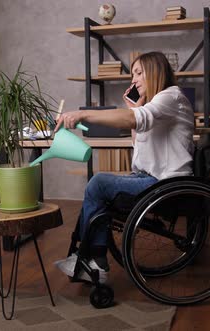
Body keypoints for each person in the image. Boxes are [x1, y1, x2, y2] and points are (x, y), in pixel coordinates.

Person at [53, 51, 194, 283]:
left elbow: (133, 119)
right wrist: (135, 107)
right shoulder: (156, 105)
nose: (134, 80)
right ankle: (87, 253)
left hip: (165, 184)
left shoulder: (171, 96)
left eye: (138, 73)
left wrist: (84, 114)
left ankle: (95, 259)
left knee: (98, 183)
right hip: (149, 178)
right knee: (98, 186)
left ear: (155, 71)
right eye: (132, 75)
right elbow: (138, 140)